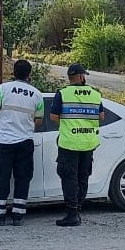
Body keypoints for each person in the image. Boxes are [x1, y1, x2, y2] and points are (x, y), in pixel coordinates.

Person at [0, 59, 44, 226]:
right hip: (25, 142)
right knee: (23, 178)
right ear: (29, 75)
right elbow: (38, 122)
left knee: (2, 178)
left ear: (13, 73)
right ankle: (18, 216)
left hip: (4, 142)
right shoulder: (36, 94)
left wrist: (1, 121)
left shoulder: (3, 89)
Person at [50, 63, 104, 227]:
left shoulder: (63, 94)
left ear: (70, 77)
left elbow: (53, 117)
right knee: (83, 177)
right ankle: (78, 209)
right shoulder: (95, 94)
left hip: (69, 143)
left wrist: (69, 124)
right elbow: (101, 117)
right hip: (88, 143)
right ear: (81, 77)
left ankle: (72, 213)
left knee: (69, 178)